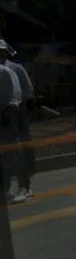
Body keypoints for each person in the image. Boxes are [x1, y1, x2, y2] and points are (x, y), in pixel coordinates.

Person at [0, 41, 34, 202]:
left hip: (15, 113)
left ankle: (25, 187)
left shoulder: (14, 69)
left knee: (17, 152)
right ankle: (5, 189)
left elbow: (26, 91)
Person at [0, 42, 23, 205]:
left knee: (7, 156)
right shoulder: (6, 71)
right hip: (7, 116)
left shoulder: (7, 71)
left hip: (6, 117)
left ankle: (7, 189)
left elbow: (14, 99)